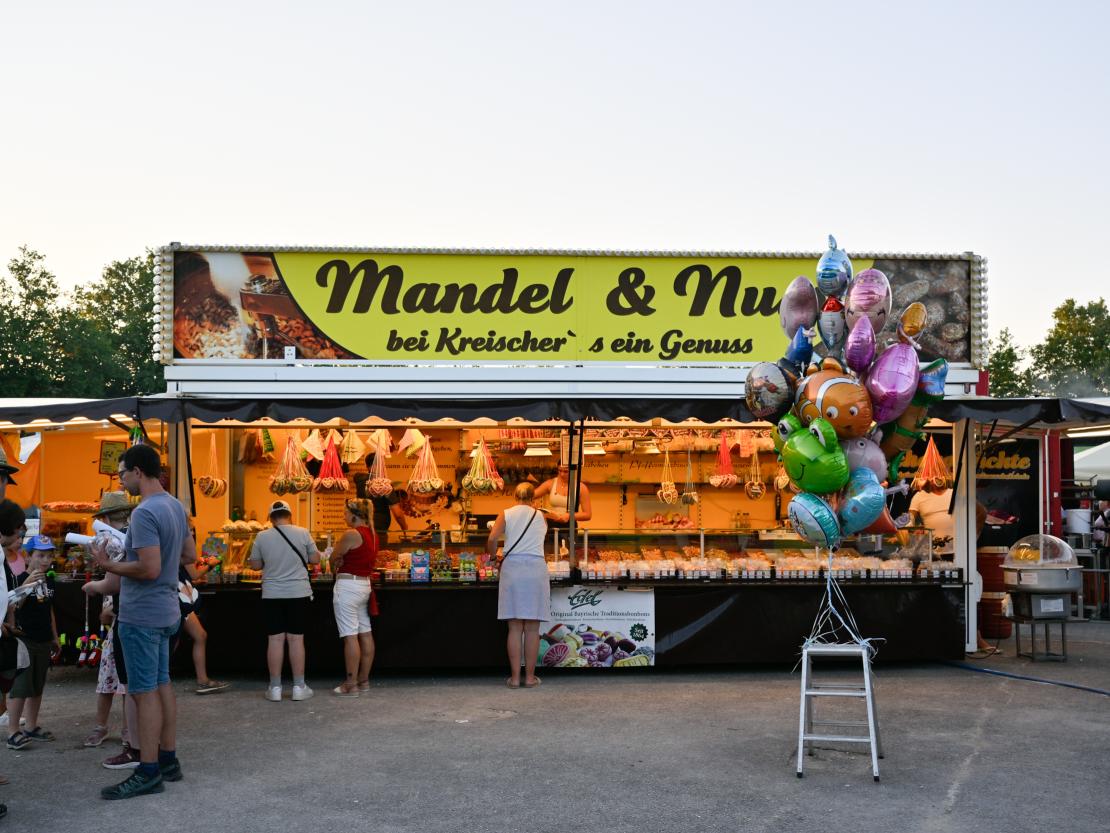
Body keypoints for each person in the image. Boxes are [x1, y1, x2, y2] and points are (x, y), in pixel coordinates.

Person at [92, 444, 195, 801]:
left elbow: (147, 569)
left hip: (142, 613)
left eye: (122, 474)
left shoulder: (145, 513)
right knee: (162, 683)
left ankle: (148, 769)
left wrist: (109, 566)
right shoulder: (175, 506)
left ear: (138, 471)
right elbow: (190, 555)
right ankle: (168, 758)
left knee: (143, 691)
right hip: (166, 609)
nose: (121, 481)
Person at [248, 500, 325, 702]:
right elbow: (315, 560)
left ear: (271, 518)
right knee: (296, 639)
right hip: (298, 592)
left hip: (272, 593)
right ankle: (299, 686)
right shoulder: (302, 532)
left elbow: (255, 565)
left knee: (275, 639)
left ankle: (274, 688)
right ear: (289, 515)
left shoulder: (262, 536)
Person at [82, 492, 135, 751]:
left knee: (117, 678)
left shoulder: (118, 539)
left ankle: (113, 727)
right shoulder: (122, 536)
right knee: (118, 679)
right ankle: (118, 728)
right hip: (124, 608)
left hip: (124, 609)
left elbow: (112, 580)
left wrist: (95, 588)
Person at [487, 482, 549, 688]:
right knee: (532, 628)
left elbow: (492, 537)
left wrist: (492, 556)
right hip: (535, 569)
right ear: (534, 498)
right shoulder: (541, 515)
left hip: (512, 569)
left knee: (514, 627)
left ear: (515, 496)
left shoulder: (506, 513)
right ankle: (530, 678)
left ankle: (514, 679)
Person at [4, 536, 59, 751]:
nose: (45, 561)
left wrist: (54, 636)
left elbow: (50, 610)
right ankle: (13, 730)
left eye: (48, 555)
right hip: (24, 638)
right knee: (21, 686)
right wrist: (28, 583)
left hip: (44, 638)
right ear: (28, 556)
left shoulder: (50, 580)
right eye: (40, 555)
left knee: (37, 685)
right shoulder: (19, 578)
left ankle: (31, 725)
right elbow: (14, 606)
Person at [329, 499, 377, 697]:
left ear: (355, 515)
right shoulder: (373, 534)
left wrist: (336, 562)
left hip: (348, 586)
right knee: (365, 633)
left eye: (346, 513)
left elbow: (333, 558)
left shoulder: (350, 534)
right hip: (364, 585)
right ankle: (363, 681)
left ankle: (351, 683)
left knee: (350, 637)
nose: (343, 516)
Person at [354, 453, 409, 539]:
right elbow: (398, 514)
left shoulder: (360, 481)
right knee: (380, 553)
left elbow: (357, 476)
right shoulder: (384, 486)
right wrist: (405, 528)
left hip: (360, 529)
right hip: (378, 532)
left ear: (367, 466)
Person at [909, 476, 955, 558]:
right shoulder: (919, 496)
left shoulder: (954, 493)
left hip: (958, 551)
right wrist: (914, 530)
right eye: (932, 476)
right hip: (932, 553)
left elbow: (979, 512)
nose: (936, 478)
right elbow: (909, 521)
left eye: (939, 475)